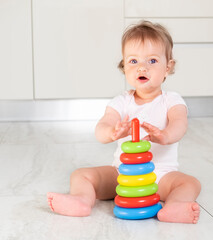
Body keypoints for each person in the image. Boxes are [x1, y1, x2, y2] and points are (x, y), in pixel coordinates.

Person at [47, 20, 201, 224]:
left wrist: (165, 136)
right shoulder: (121, 101)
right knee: (80, 175)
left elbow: (180, 123)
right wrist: (112, 132)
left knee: (191, 183)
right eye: (133, 61)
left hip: (160, 176)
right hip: (122, 174)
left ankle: (174, 206)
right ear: (124, 66)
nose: (142, 68)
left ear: (168, 67)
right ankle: (81, 200)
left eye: (152, 61)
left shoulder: (171, 100)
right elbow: (101, 129)